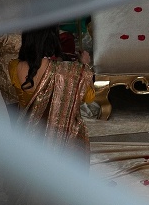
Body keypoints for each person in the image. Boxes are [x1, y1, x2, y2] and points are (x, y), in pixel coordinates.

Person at [8, 25, 95, 155]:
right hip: (63, 146)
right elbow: (89, 97)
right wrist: (84, 66)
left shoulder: (14, 66)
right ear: (53, 40)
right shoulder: (67, 71)